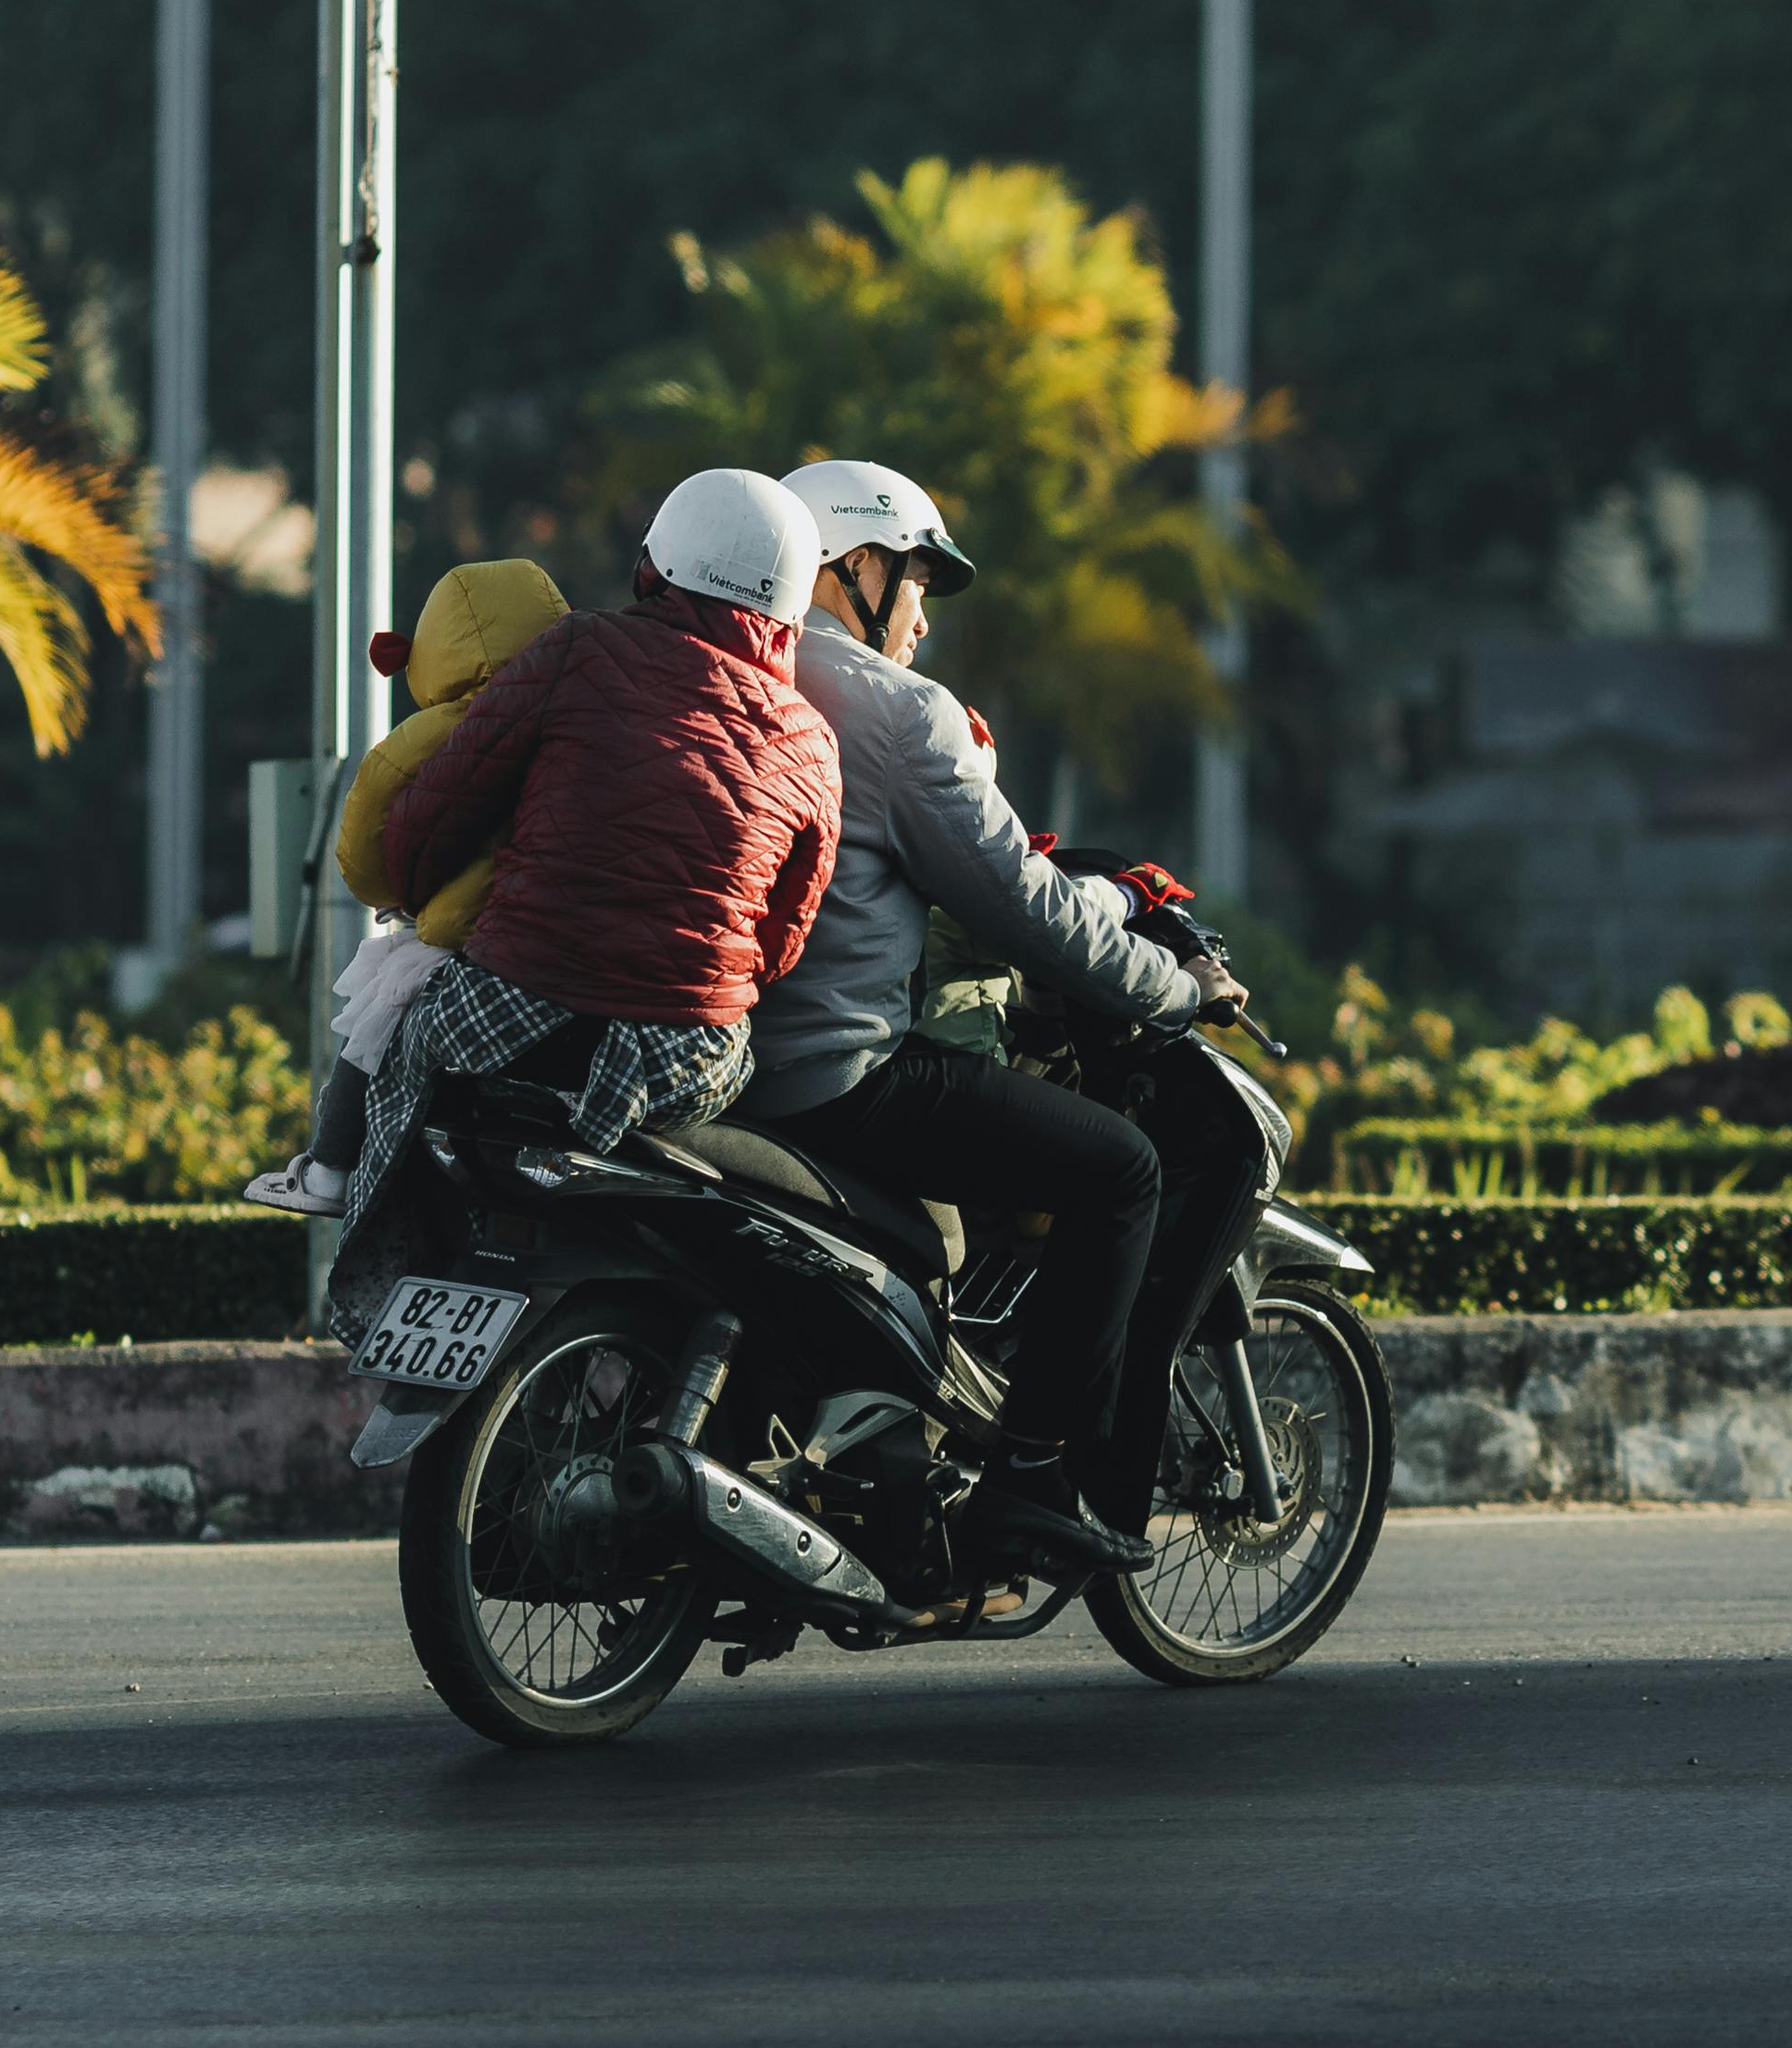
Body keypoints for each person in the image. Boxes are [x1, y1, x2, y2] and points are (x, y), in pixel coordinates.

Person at [741, 457, 1256, 1582]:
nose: (923, 614)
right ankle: (1031, 1474)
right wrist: (1177, 988)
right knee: (1121, 1168)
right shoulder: (895, 713)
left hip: (714, 1065)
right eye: (918, 578)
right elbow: (1023, 909)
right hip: (838, 1077)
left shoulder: (732, 671)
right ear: (857, 565)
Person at [330, 469, 841, 1305]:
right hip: (683, 1061)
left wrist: (432, 905)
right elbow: (780, 947)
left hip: (508, 1015)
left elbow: (439, 813)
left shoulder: (580, 649)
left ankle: (378, 1283)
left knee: (405, 1049)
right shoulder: (814, 741)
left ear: (654, 568)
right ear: (791, 612)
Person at [247, 554, 569, 1218]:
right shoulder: (585, 722)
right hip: (556, 934)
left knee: (367, 1036)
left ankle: (331, 1170)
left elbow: (363, 847)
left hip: (459, 931)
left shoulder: (433, 732)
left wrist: (392, 892)